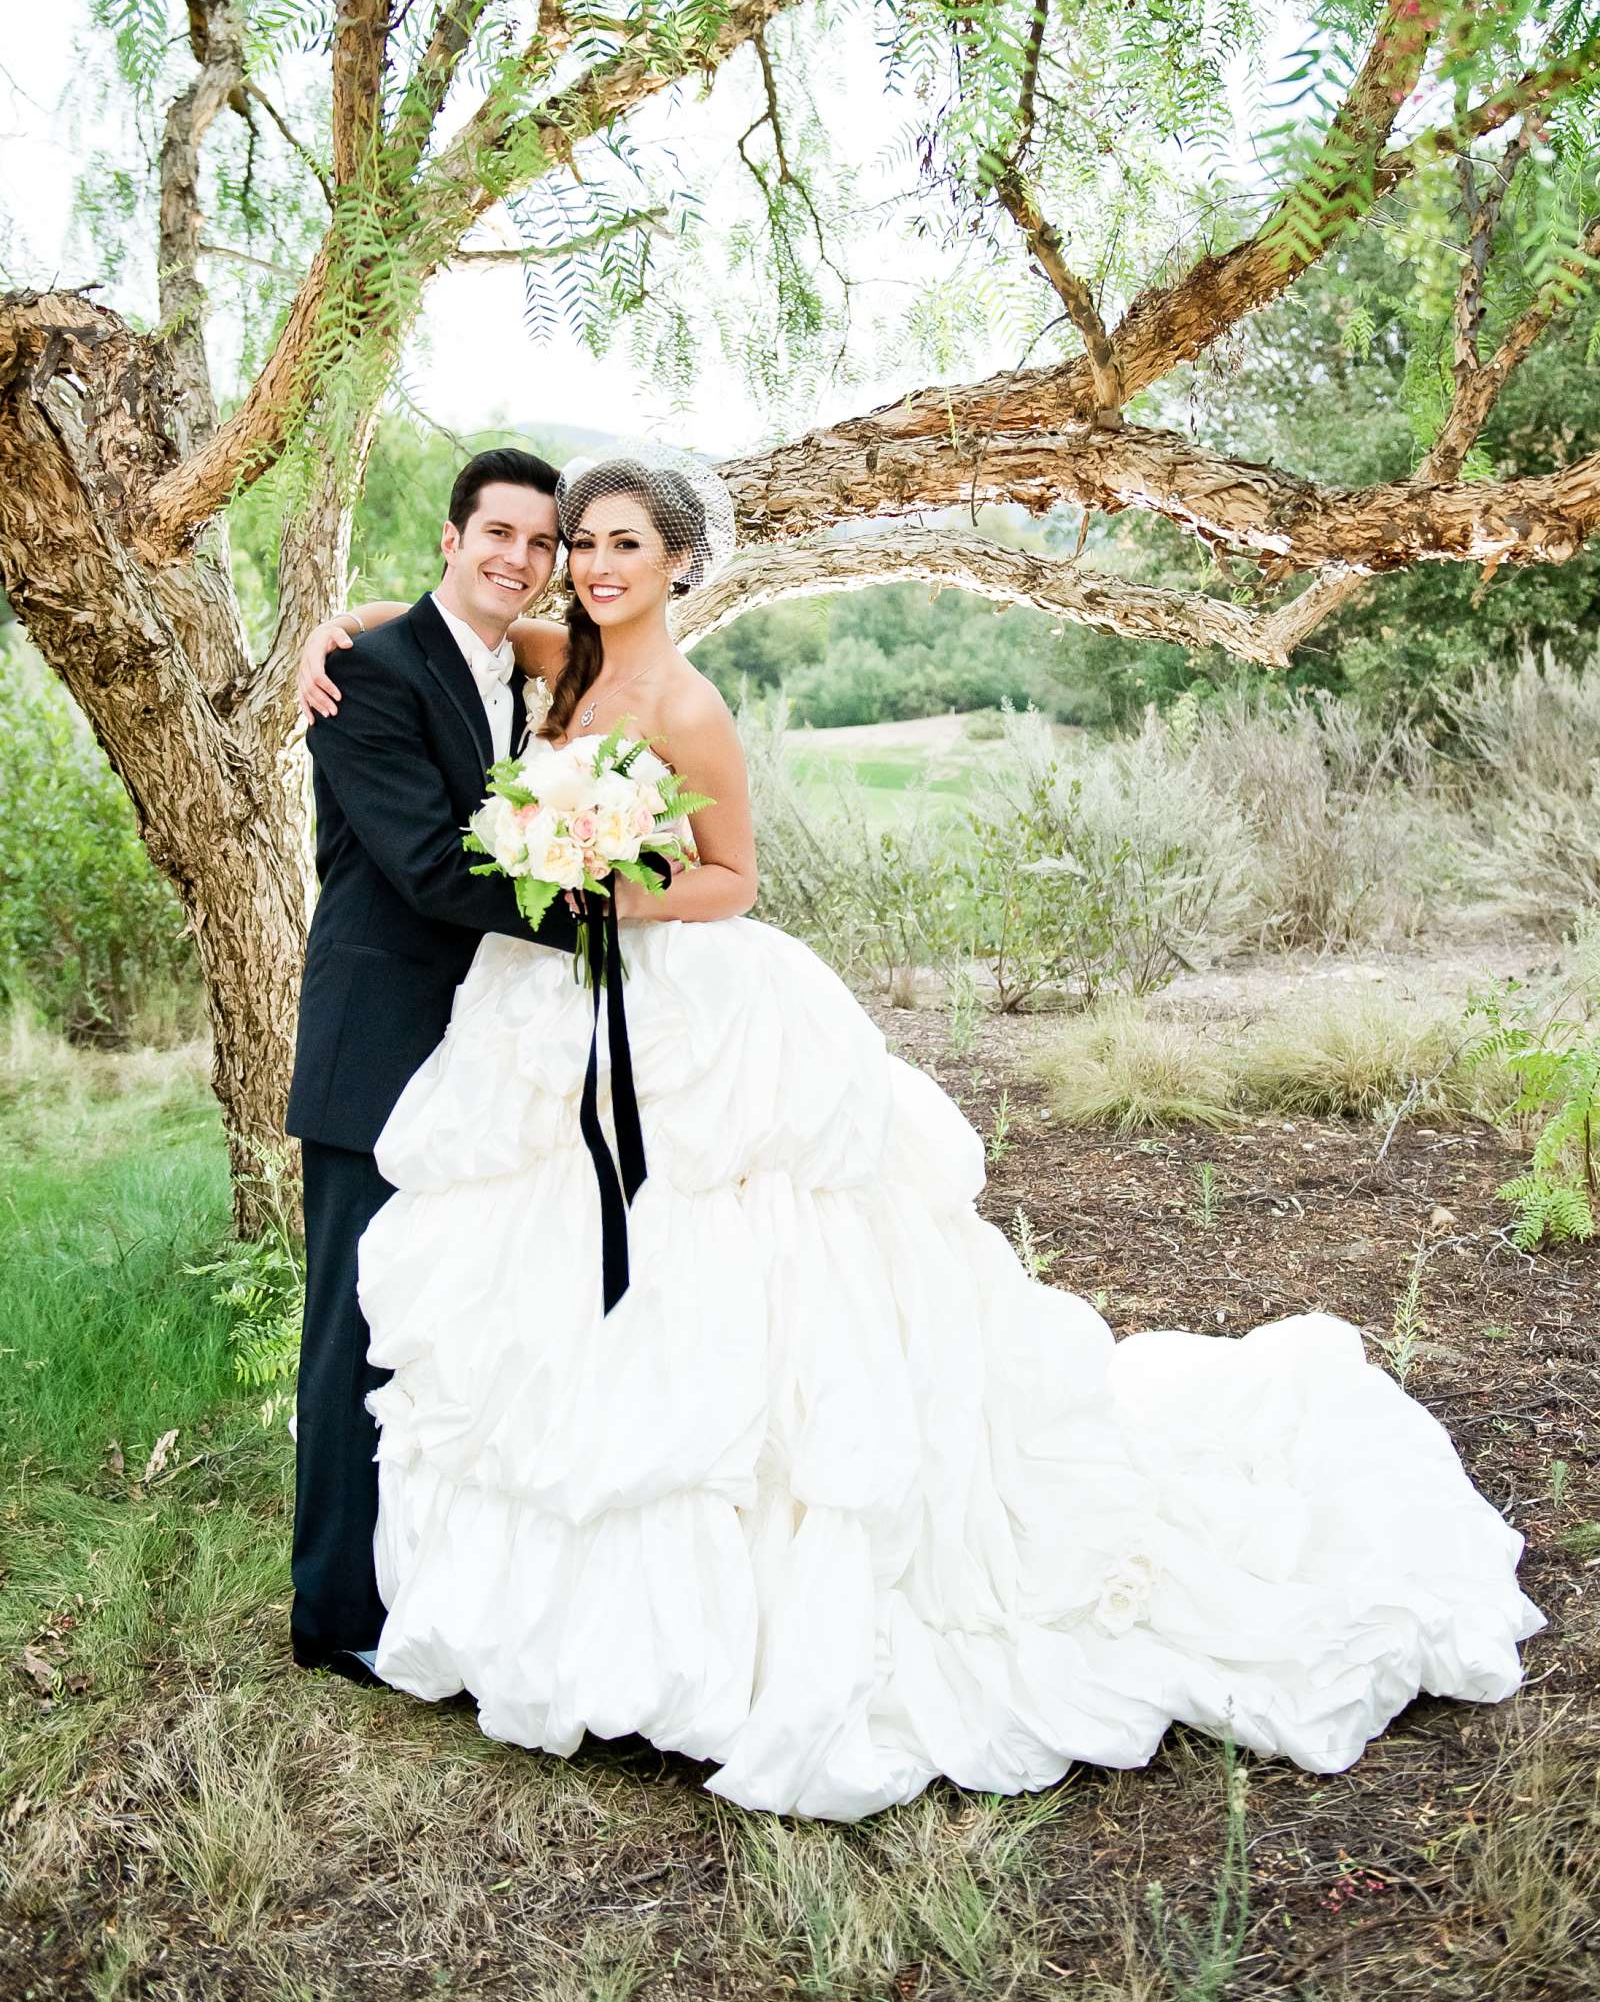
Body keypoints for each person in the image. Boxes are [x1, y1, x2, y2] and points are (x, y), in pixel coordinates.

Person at [294, 448, 1543, 1819]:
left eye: (621, 548)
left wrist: (603, 884)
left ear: (682, 565)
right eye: (576, 544)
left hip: (662, 993)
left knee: (732, 1284)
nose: (587, 566)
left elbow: (734, 875)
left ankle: (724, 1613)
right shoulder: (558, 653)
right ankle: (519, 1593)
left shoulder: (685, 702)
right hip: (548, 1011)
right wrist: (335, 625)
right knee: (565, 1295)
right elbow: (442, 625)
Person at [285, 446, 577, 1683]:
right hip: (380, 1038)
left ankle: (432, 1581)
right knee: (353, 1328)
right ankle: (336, 1617)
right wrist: (609, 916)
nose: (516, 557)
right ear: (451, 538)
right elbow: (424, 863)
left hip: (487, 1048)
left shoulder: (531, 669)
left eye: (539, 542)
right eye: (495, 533)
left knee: (451, 1320)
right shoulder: (370, 668)